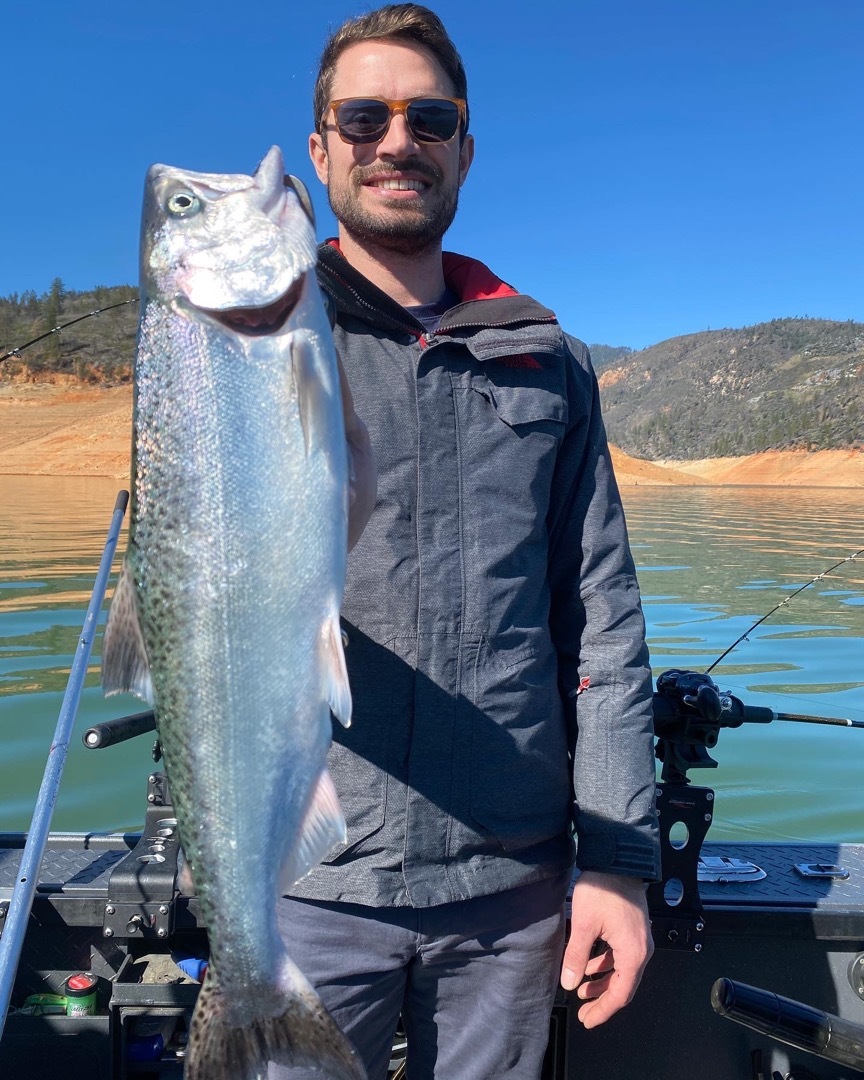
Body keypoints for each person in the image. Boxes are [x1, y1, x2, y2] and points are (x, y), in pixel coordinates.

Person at [276, 5, 660, 1077]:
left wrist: (619, 865)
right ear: (321, 150)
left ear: (464, 148)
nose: (396, 140)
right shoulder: (254, 344)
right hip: (308, 886)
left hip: (514, 893)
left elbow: (604, 625)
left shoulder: (549, 358)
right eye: (363, 117)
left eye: (428, 117)